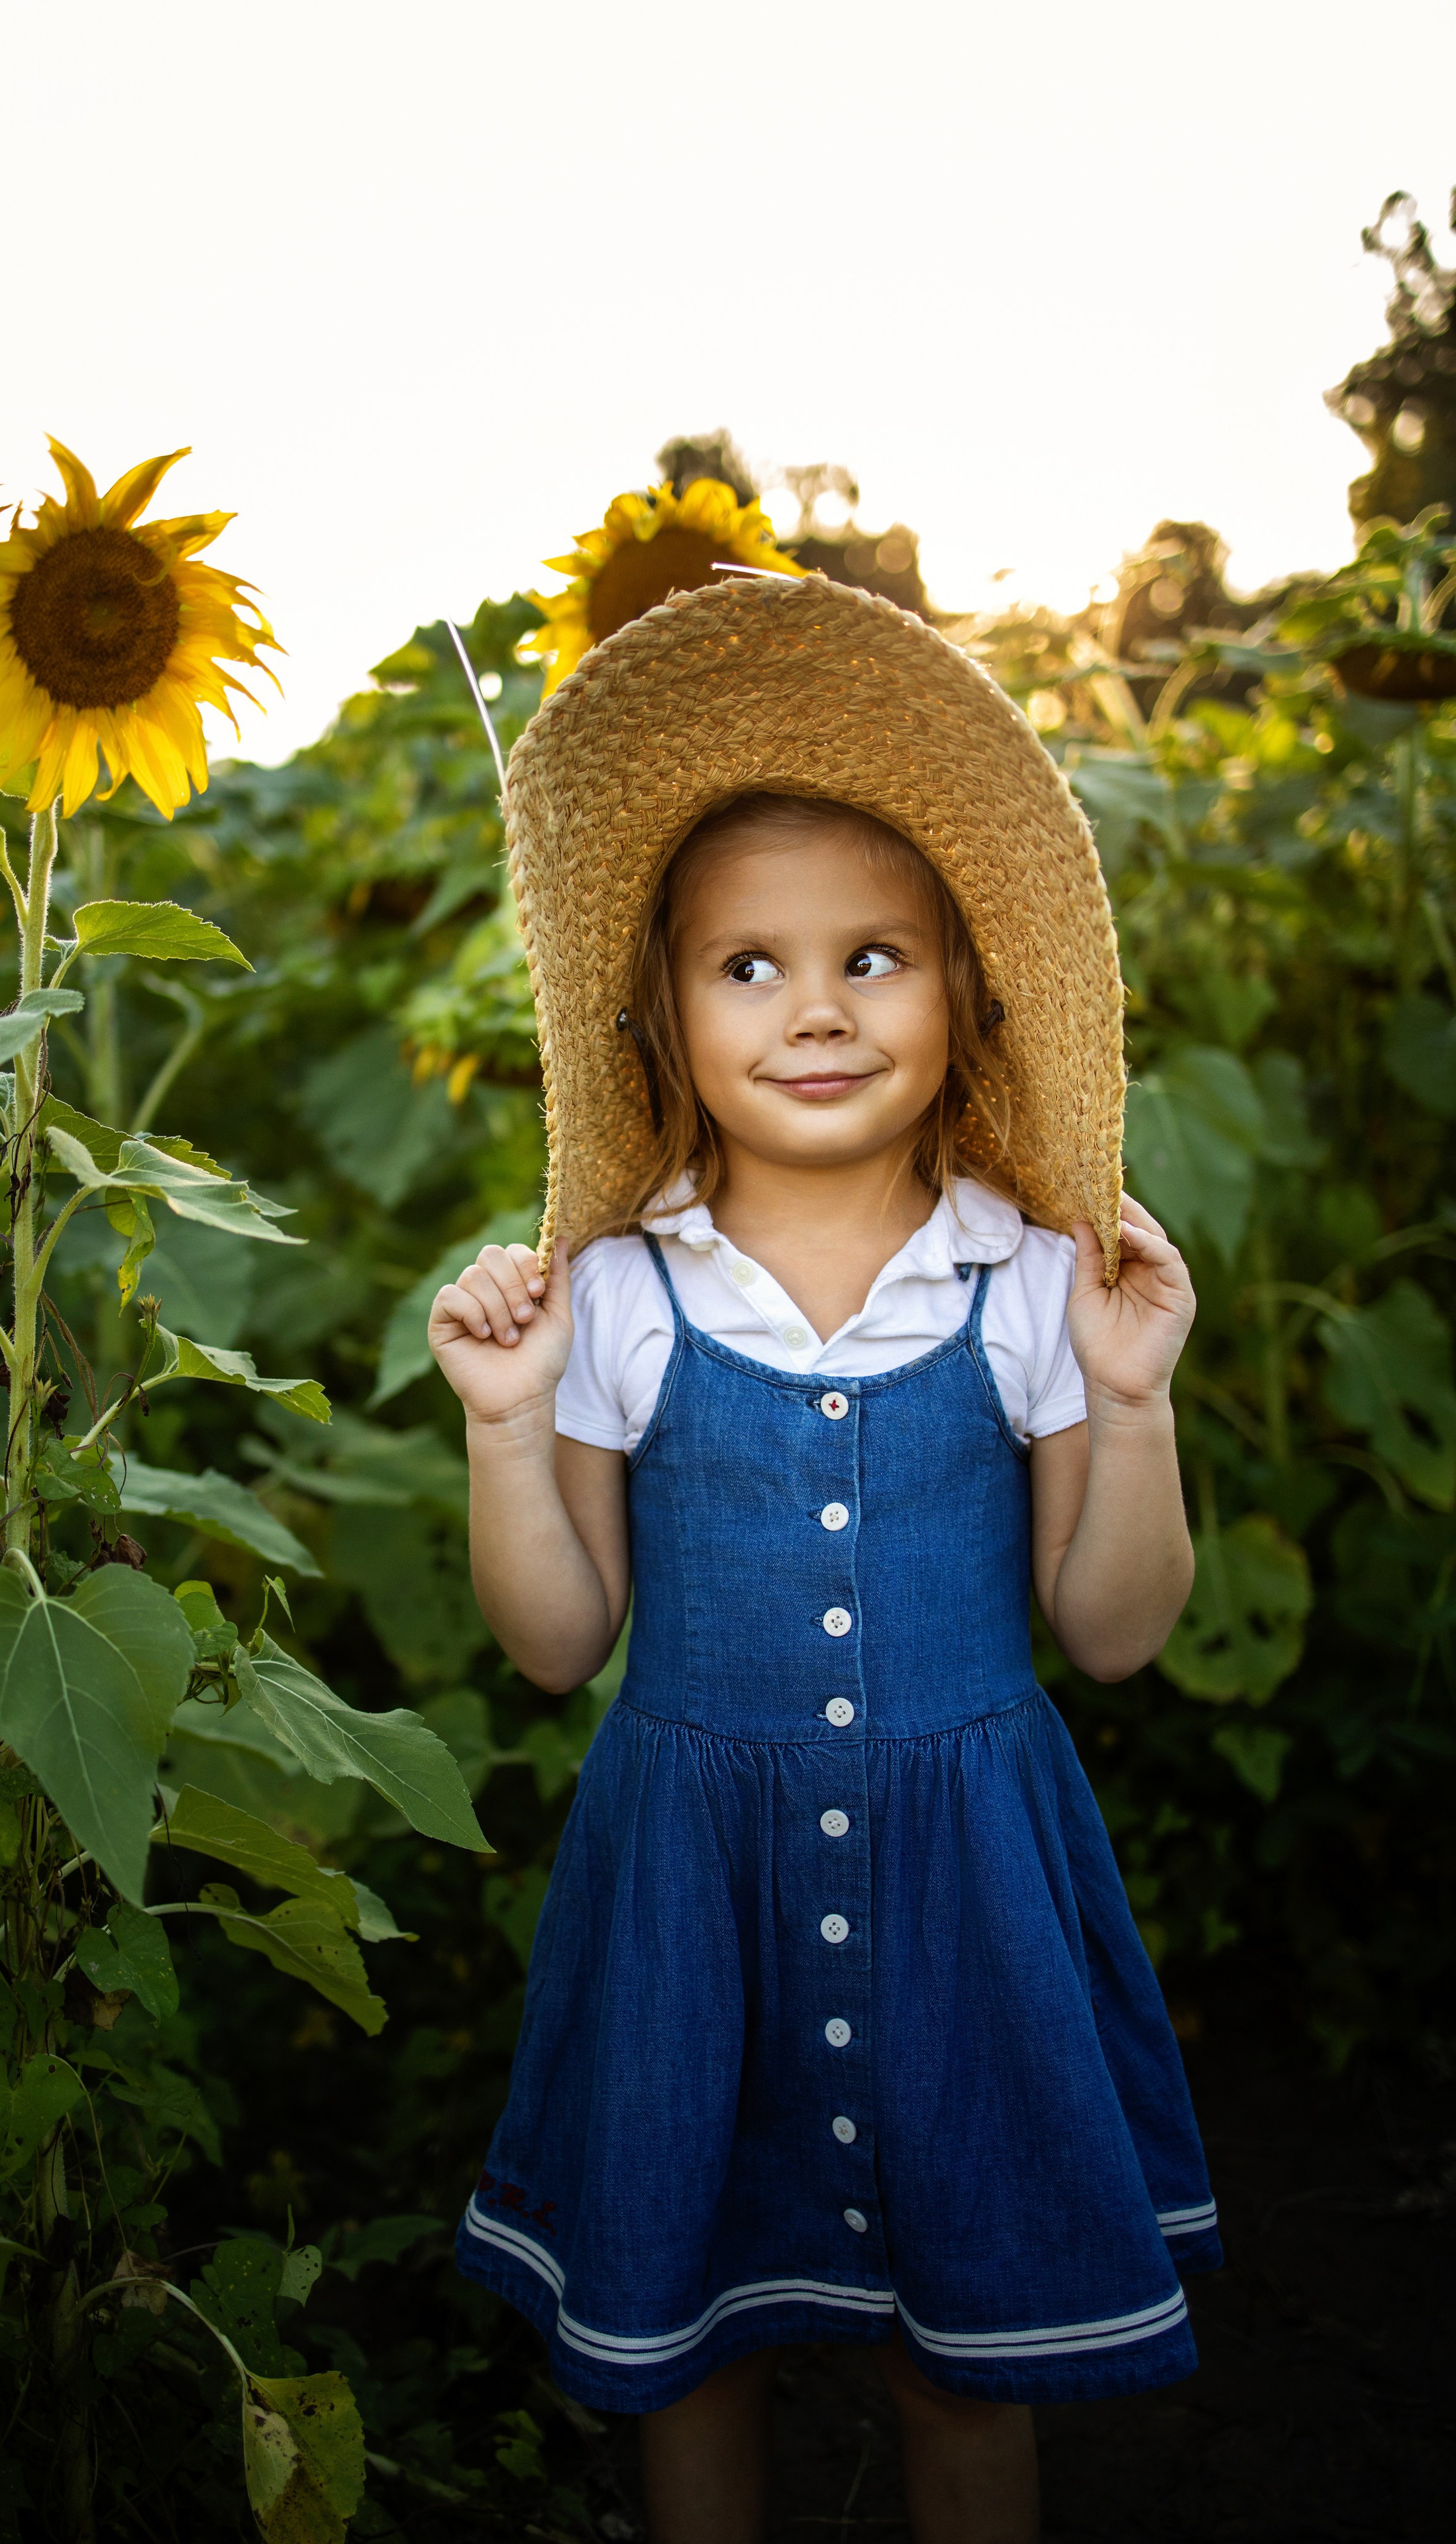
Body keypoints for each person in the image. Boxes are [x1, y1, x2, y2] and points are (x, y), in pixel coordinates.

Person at [427, 575, 1220, 2544]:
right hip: (691, 1883)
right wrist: (505, 1428)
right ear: (660, 1019)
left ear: (964, 994)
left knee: (962, 2365)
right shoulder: (613, 1297)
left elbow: (1110, 1635)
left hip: (970, 1888)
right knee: (696, 2349)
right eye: (750, 968)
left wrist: (1133, 1400)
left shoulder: (1034, 1279)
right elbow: (554, 1645)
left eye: (874, 956)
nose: (819, 1009)